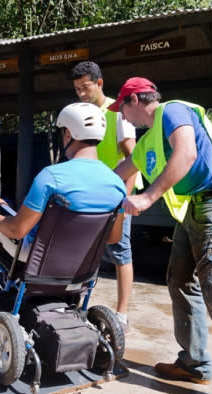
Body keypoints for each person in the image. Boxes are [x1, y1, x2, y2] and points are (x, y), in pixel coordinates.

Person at [110, 77, 212, 394]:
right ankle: (194, 363)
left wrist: (148, 196)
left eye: (123, 109)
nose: (123, 118)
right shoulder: (149, 140)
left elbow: (187, 152)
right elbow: (120, 172)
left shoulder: (172, 110)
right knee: (180, 281)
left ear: (135, 100)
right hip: (195, 209)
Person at [0, 102, 127, 277]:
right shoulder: (117, 184)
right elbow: (113, 237)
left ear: (68, 134)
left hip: (37, 258)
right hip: (83, 262)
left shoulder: (51, 176)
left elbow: (18, 230)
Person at [71, 61, 142, 333]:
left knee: (121, 252)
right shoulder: (80, 113)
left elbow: (133, 158)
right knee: (84, 251)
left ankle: (122, 313)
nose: (81, 94)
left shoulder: (117, 114)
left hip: (116, 198)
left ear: (99, 83)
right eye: (77, 89)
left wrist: (125, 199)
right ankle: (75, 303)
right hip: (90, 196)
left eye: (85, 87)